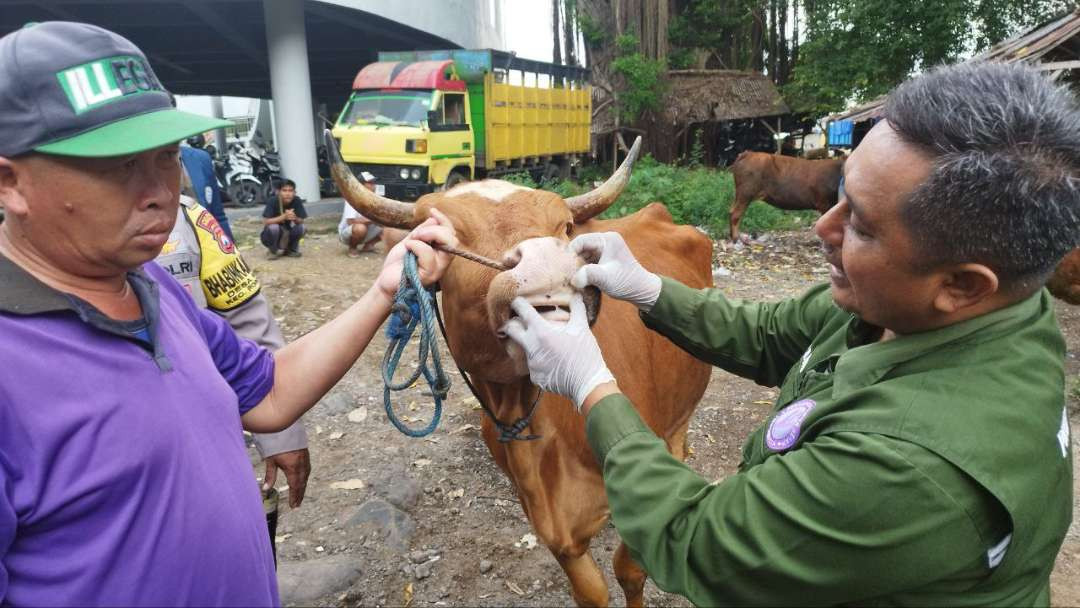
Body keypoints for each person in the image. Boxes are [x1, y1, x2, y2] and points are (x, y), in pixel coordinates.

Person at [504, 61, 1077, 605]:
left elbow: (700, 543)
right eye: (843, 194)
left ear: (961, 284)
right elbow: (773, 332)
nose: (823, 227)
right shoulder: (951, 307)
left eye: (863, 226)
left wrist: (590, 383)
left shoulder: (910, 469)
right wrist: (649, 288)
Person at [0, 21, 456, 606]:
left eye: (167, 157)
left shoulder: (154, 290)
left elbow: (267, 394)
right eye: (117, 166)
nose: (160, 191)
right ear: (10, 182)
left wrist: (382, 292)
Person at [157, 186, 310, 514]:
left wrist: (282, 434)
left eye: (166, 157)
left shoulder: (189, 218)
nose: (153, 187)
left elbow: (249, 322)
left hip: (204, 443)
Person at [180, 133, 233, 240]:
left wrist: (230, 248)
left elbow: (217, 214)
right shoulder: (140, 164)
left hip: (206, 241)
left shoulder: (200, 158)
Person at [339, 172, 382, 257]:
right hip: (347, 232)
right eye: (370, 183)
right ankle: (352, 248)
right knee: (360, 228)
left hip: (366, 229)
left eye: (373, 182)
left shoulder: (375, 198)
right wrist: (373, 220)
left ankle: (369, 245)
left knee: (388, 225)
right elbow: (350, 222)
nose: (374, 185)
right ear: (361, 185)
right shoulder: (352, 197)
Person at [261, 178, 307, 258]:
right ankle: (273, 251)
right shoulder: (272, 201)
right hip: (271, 234)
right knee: (273, 228)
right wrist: (284, 217)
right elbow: (266, 222)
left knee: (302, 227)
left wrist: (294, 218)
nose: (287, 193)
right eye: (284, 190)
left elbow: (301, 220)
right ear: (278, 192)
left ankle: (291, 250)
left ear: (294, 192)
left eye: (290, 191)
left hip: (287, 232)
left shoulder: (297, 200)